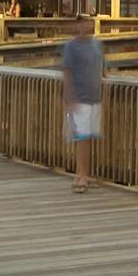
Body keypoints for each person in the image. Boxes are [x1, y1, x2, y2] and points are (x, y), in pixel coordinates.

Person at [61, 18, 106, 193]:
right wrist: (69, 97)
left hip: (95, 97)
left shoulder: (97, 44)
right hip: (80, 98)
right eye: (83, 23)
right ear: (77, 26)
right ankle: (79, 176)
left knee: (90, 137)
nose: (87, 25)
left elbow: (102, 66)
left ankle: (85, 173)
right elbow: (67, 71)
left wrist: (105, 83)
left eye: (89, 22)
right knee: (82, 138)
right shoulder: (71, 46)